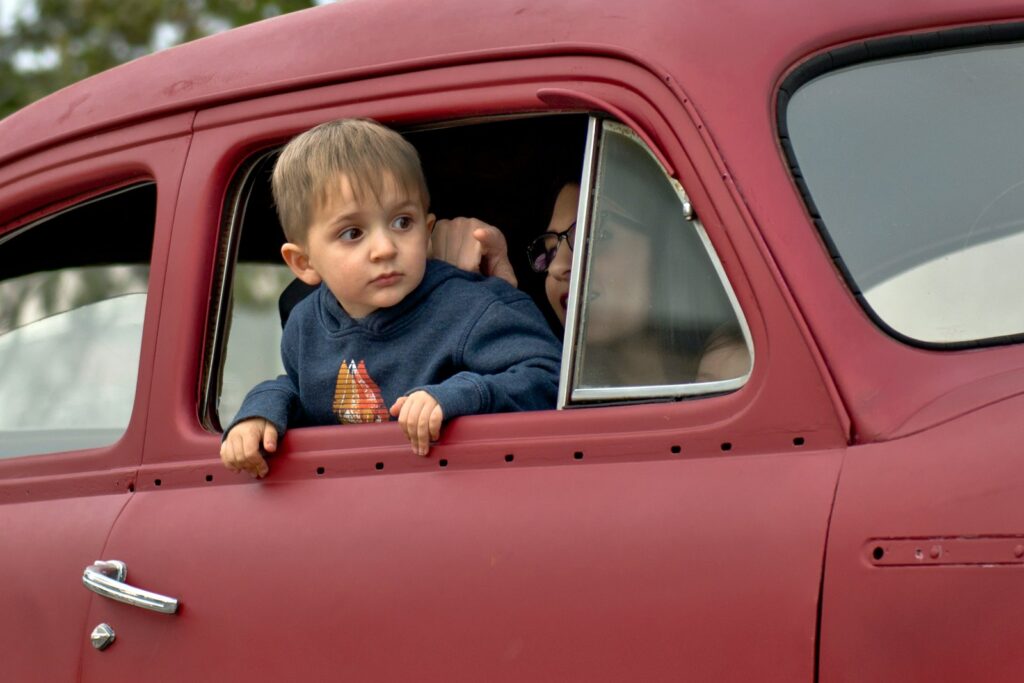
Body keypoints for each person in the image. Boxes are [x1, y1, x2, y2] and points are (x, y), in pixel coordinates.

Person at [220, 119, 561, 478]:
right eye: (353, 232)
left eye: (402, 222)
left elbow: (549, 377)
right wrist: (260, 412)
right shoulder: (305, 326)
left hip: (463, 492)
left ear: (427, 232)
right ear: (303, 263)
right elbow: (304, 388)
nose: (385, 248)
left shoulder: (473, 307)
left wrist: (459, 396)